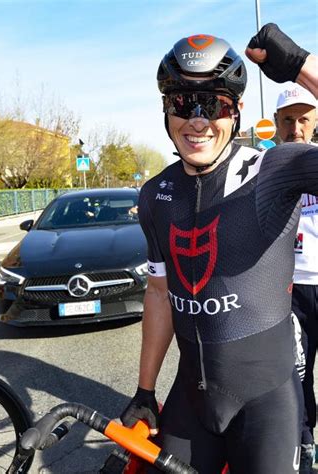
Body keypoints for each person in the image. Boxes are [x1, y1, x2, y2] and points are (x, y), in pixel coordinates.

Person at [120, 24, 318, 473]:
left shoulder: (276, 169)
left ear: (237, 113)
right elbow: (158, 292)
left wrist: (303, 67)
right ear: (165, 110)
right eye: (183, 102)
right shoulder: (154, 194)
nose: (197, 119)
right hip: (192, 400)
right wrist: (145, 391)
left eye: (214, 103)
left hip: (266, 400)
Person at [275, 84, 318, 472]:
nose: (296, 128)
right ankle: (305, 442)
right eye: (288, 120)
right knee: (296, 375)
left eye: (304, 119)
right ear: (275, 124)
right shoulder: (265, 168)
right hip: (290, 289)